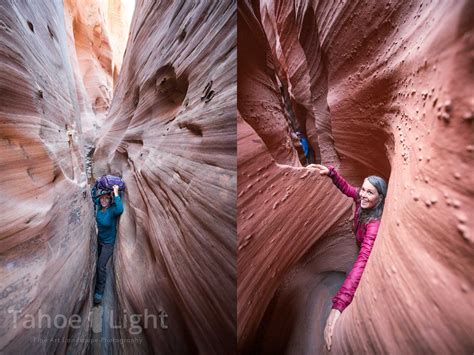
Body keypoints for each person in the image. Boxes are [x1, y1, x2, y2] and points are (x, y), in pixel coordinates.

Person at [309, 164, 388, 351]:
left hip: (366, 249)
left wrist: (338, 306)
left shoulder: (374, 226)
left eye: (370, 192)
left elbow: (362, 262)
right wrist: (332, 173)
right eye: (364, 189)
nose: (363, 195)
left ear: (380, 199)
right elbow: (349, 189)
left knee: (358, 269)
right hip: (359, 241)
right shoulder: (362, 201)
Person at [93, 184, 124, 304]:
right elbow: (93, 197)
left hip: (108, 244)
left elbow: (120, 209)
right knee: (98, 262)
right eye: (102, 198)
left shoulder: (112, 210)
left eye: (107, 198)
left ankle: (99, 291)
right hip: (100, 240)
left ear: (110, 200)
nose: (104, 200)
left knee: (101, 266)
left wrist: (116, 193)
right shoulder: (100, 208)